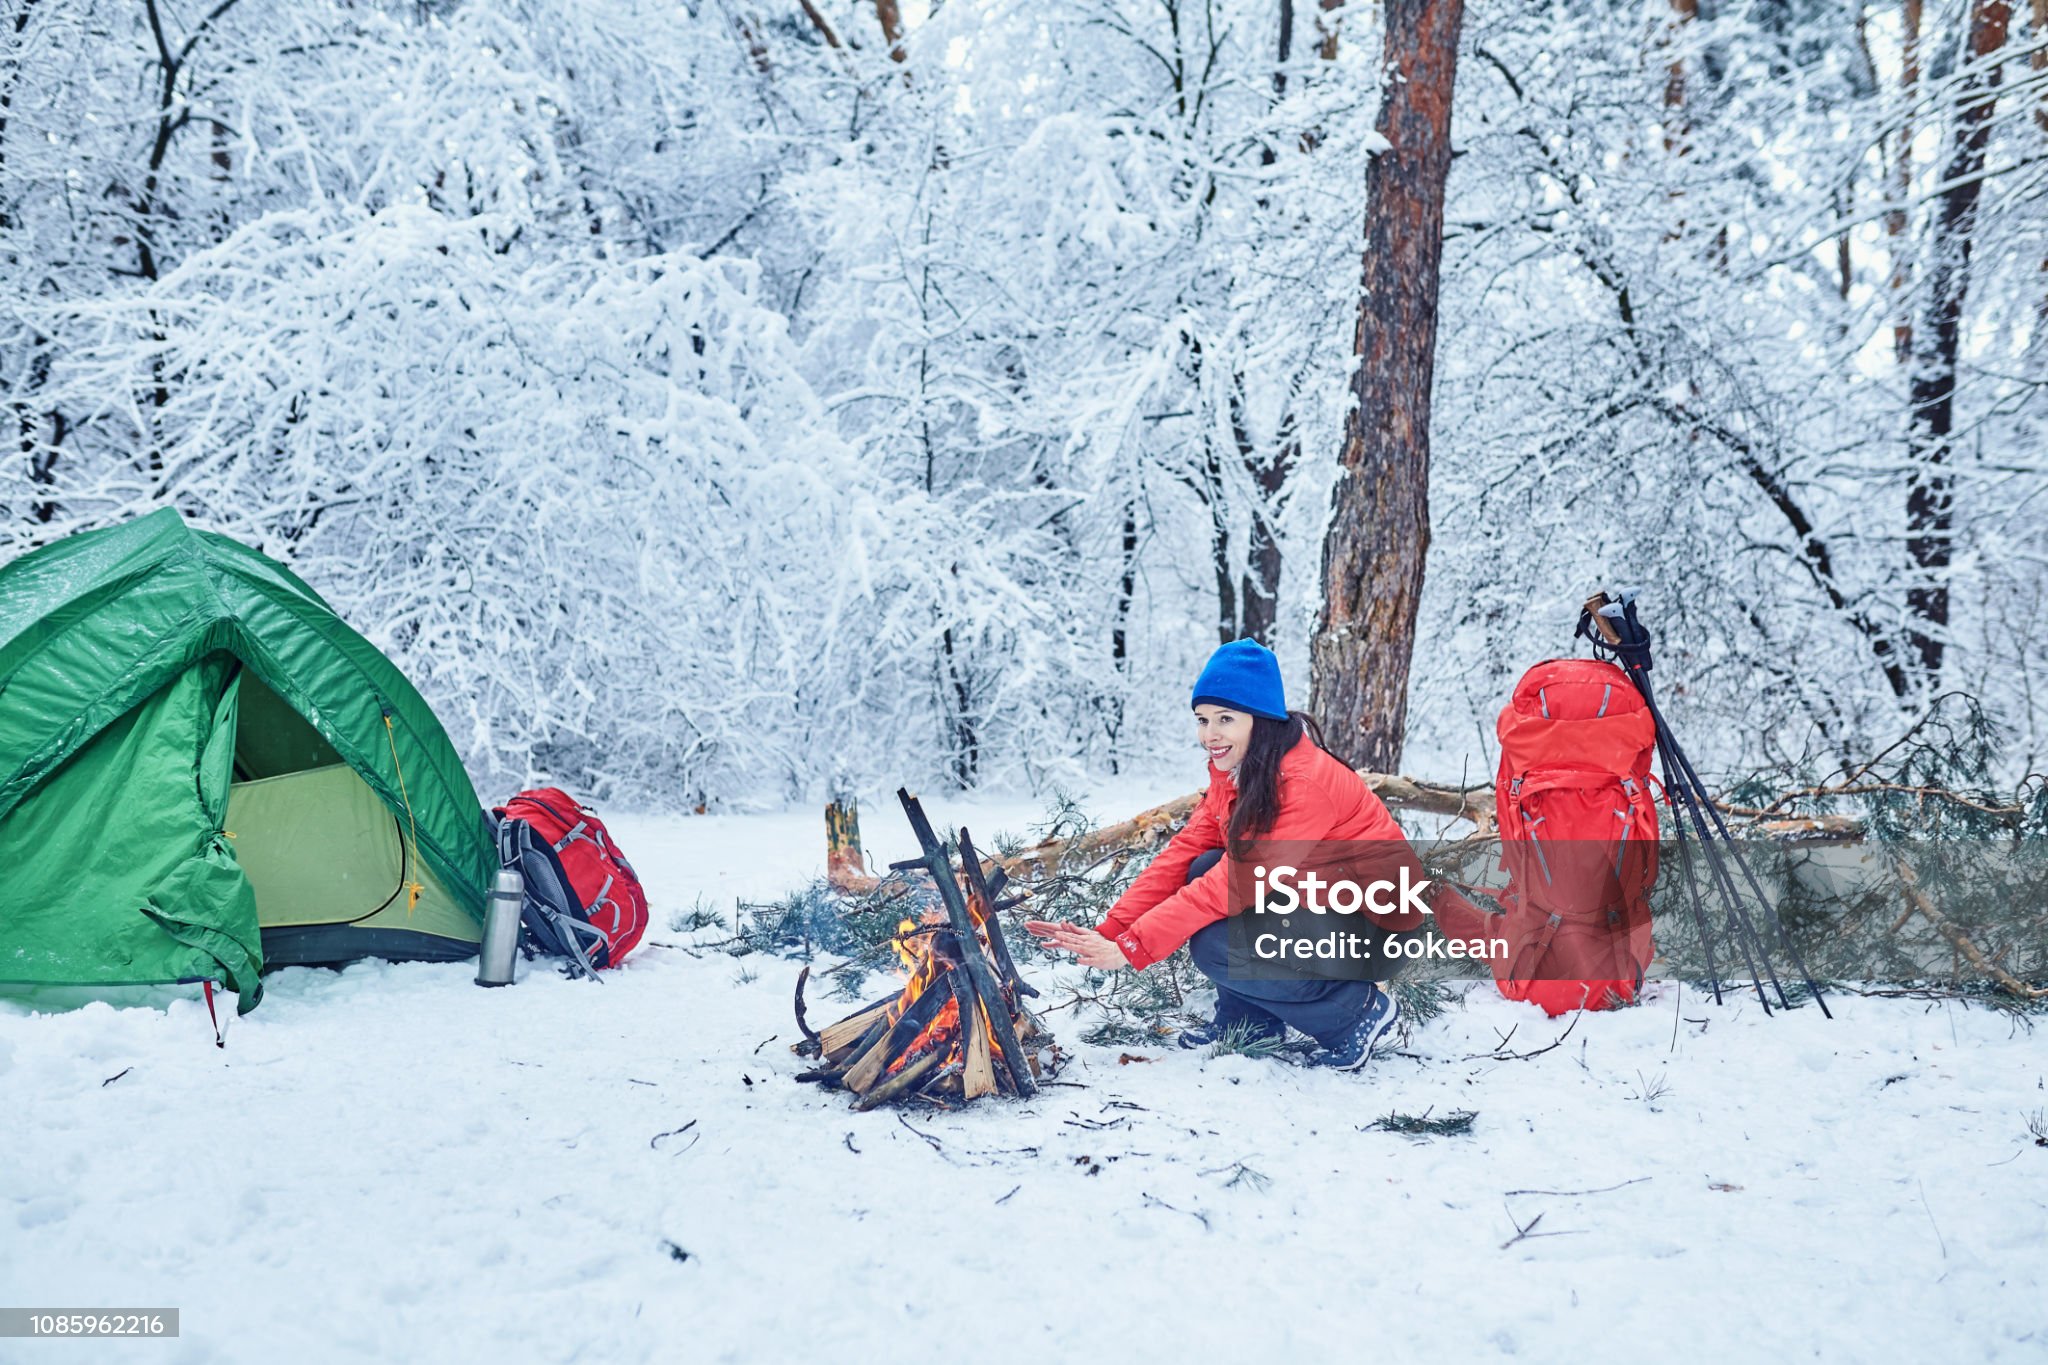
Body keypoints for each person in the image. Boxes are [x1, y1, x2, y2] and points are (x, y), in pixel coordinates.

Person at [1026, 640, 1422, 1070]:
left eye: (1225, 719)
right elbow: (1185, 852)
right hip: (1321, 903)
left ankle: (1355, 1014)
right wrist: (1113, 931)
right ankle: (1251, 1022)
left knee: (1216, 943)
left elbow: (1234, 885)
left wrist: (1133, 947)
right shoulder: (1240, 770)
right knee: (1201, 866)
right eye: (1202, 719)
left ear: (1261, 719)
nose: (1209, 735)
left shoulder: (1302, 784)